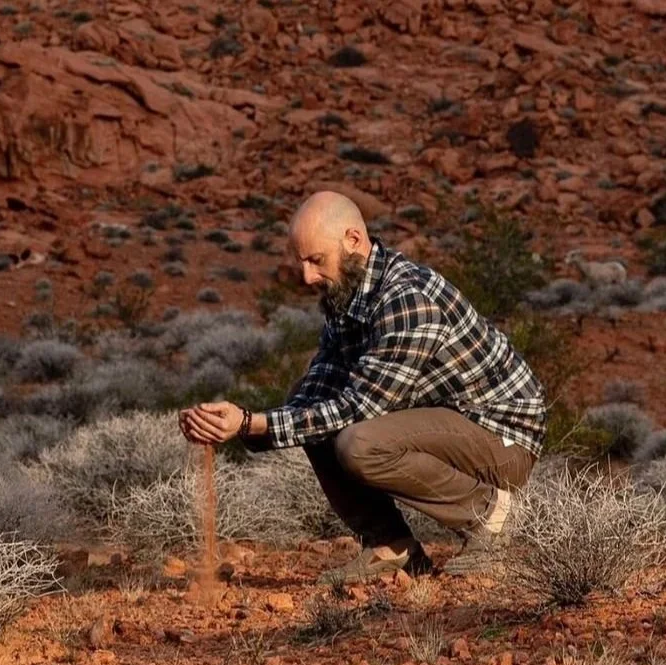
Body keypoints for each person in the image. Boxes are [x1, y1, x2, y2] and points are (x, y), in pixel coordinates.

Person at [178, 190, 547, 582]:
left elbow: (359, 409)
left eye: (316, 260)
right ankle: (391, 546)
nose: (307, 277)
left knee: (359, 443)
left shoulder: (407, 300)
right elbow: (317, 394)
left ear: (353, 239)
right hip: (450, 426)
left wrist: (251, 422)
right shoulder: (350, 295)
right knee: (307, 402)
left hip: (503, 440)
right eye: (301, 262)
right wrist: (239, 424)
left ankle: (492, 518)